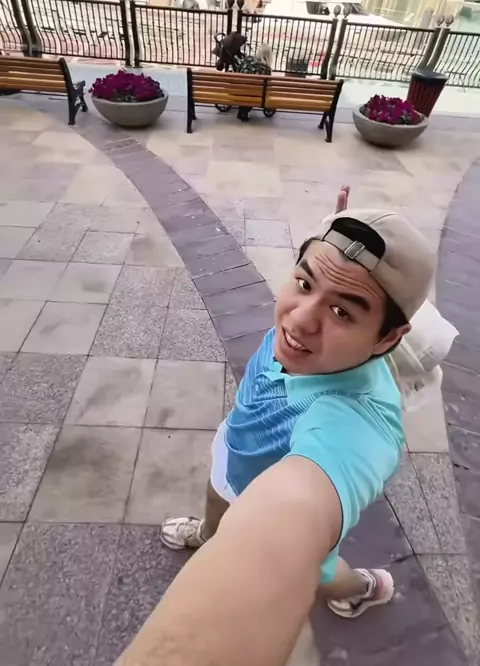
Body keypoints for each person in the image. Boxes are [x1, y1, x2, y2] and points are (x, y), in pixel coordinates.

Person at [117, 189, 436, 666]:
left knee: (324, 573)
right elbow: (330, 279)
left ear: (388, 337)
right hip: (236, 453)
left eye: (342, 312)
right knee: (218, 498)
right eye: (304, 283)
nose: (299, 322)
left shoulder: (358, 421)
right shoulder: (315, 325)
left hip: (276, 507)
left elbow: (290, 517)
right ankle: (210, 534)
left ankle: (365, 586)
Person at [233, 43, 273, 121]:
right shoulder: (266, 68)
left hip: (238, 90)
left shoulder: (248, 59)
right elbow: (268, 84)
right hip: (253, 94)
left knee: (246, 88)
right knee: (255, 91)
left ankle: (242, 111)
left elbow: (238, 70)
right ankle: (245, 112)